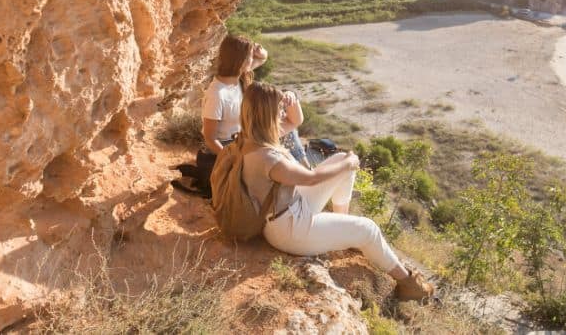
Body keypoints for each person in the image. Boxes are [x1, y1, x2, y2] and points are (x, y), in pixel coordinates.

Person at [239, 82, 434, 301]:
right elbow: (311, 179)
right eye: (279, 110)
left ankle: (344, 229)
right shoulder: (268, 157)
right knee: (368, 228)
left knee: (339, 158)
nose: (283, 114)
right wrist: (350, 163)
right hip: (289, 231)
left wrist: (291, 98)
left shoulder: (251, 137)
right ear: (266, 114)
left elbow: (295, 121)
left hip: (285, 211)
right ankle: (409, 284)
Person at [177, 34, 267, 194]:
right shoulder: (217, 94)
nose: (252, 60)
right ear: (239, 61)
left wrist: (259, 51)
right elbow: (210, 138)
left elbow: (262, 58)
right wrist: (233, 158)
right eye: (249, 56)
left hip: (238, 143)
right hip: (220, 150)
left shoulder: (238, 78)